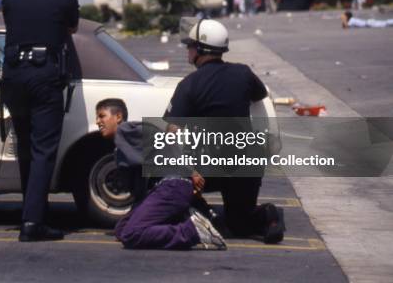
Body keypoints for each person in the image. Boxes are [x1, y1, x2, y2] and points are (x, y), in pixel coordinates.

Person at [163, 18, 284, 244]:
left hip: (212, 165)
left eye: (190, 45)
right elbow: (260, 96)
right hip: (247, 163)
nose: (187, 50)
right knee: (241, 225)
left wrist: (189, 171)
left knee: (168, 182)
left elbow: (172, 133)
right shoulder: (243, 73)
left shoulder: (189, 84)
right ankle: (269, 216)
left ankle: (208, 217)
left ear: (200, 49)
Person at [1, 0, 79, 242]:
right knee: (43, 150)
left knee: (25, 148)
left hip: (14, 77)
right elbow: (71, 29)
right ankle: (33, 222)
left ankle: (29, 211)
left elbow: (12, 23)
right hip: (45, 76)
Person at [94, 98, 226, 250]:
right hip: (166, 188)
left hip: (172, 185)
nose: (98, 122)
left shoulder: (125, 130)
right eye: (97, 117)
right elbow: (139, 189)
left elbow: (164, 139)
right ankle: (185, 216)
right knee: (122, 229)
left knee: (132, 234)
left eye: (102, 116)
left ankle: (192, 231)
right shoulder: (121, 149)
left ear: (118, 117)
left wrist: (190, 171)